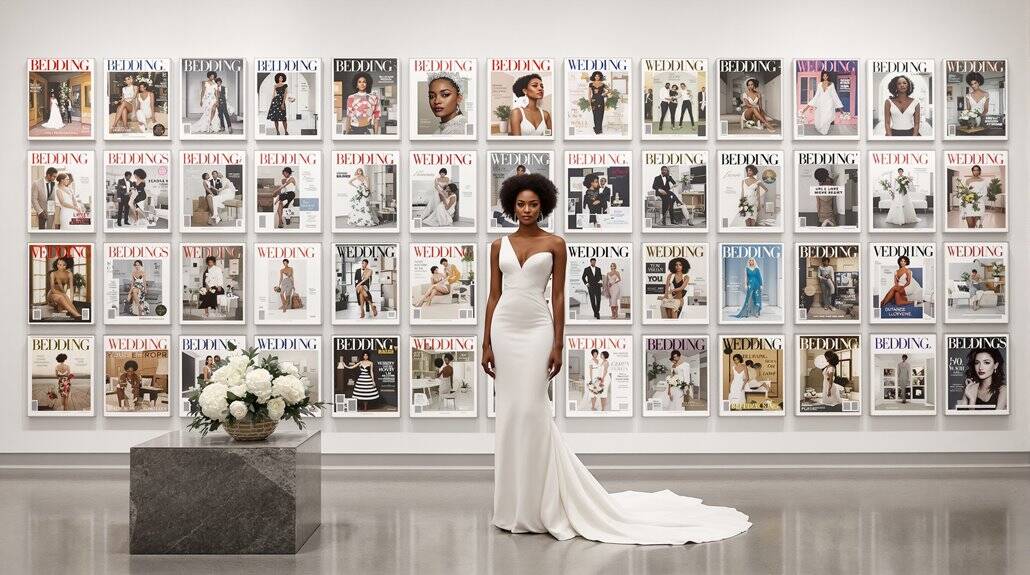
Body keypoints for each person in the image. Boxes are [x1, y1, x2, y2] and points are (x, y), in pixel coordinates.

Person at [481, 172, 750, 544]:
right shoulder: (498, 246)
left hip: (538, 328)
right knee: (510, 414)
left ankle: (544, 504)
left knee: (532, 410)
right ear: (512, 205)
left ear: (544, 205)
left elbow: (558, 298)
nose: (527, 210)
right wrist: (485, 343)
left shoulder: (556, 243)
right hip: (505, 329)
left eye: (533, 204)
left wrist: (558, 343)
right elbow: (493, 297)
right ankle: (513, 507)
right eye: (521, 204)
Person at [801, 70, 844, 136]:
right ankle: (823, 131)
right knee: (821, 118)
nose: (825, 77)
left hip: (829, 103)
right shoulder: (819, 84)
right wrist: (806, 107)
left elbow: (834, 95)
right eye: (824, 76)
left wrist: (840, 108)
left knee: (828, 117)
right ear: (822, 76)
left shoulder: (831, 84)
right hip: (821, 104)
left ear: (828, 76)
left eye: (826, 76)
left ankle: (824, 131)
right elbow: (816, 96)